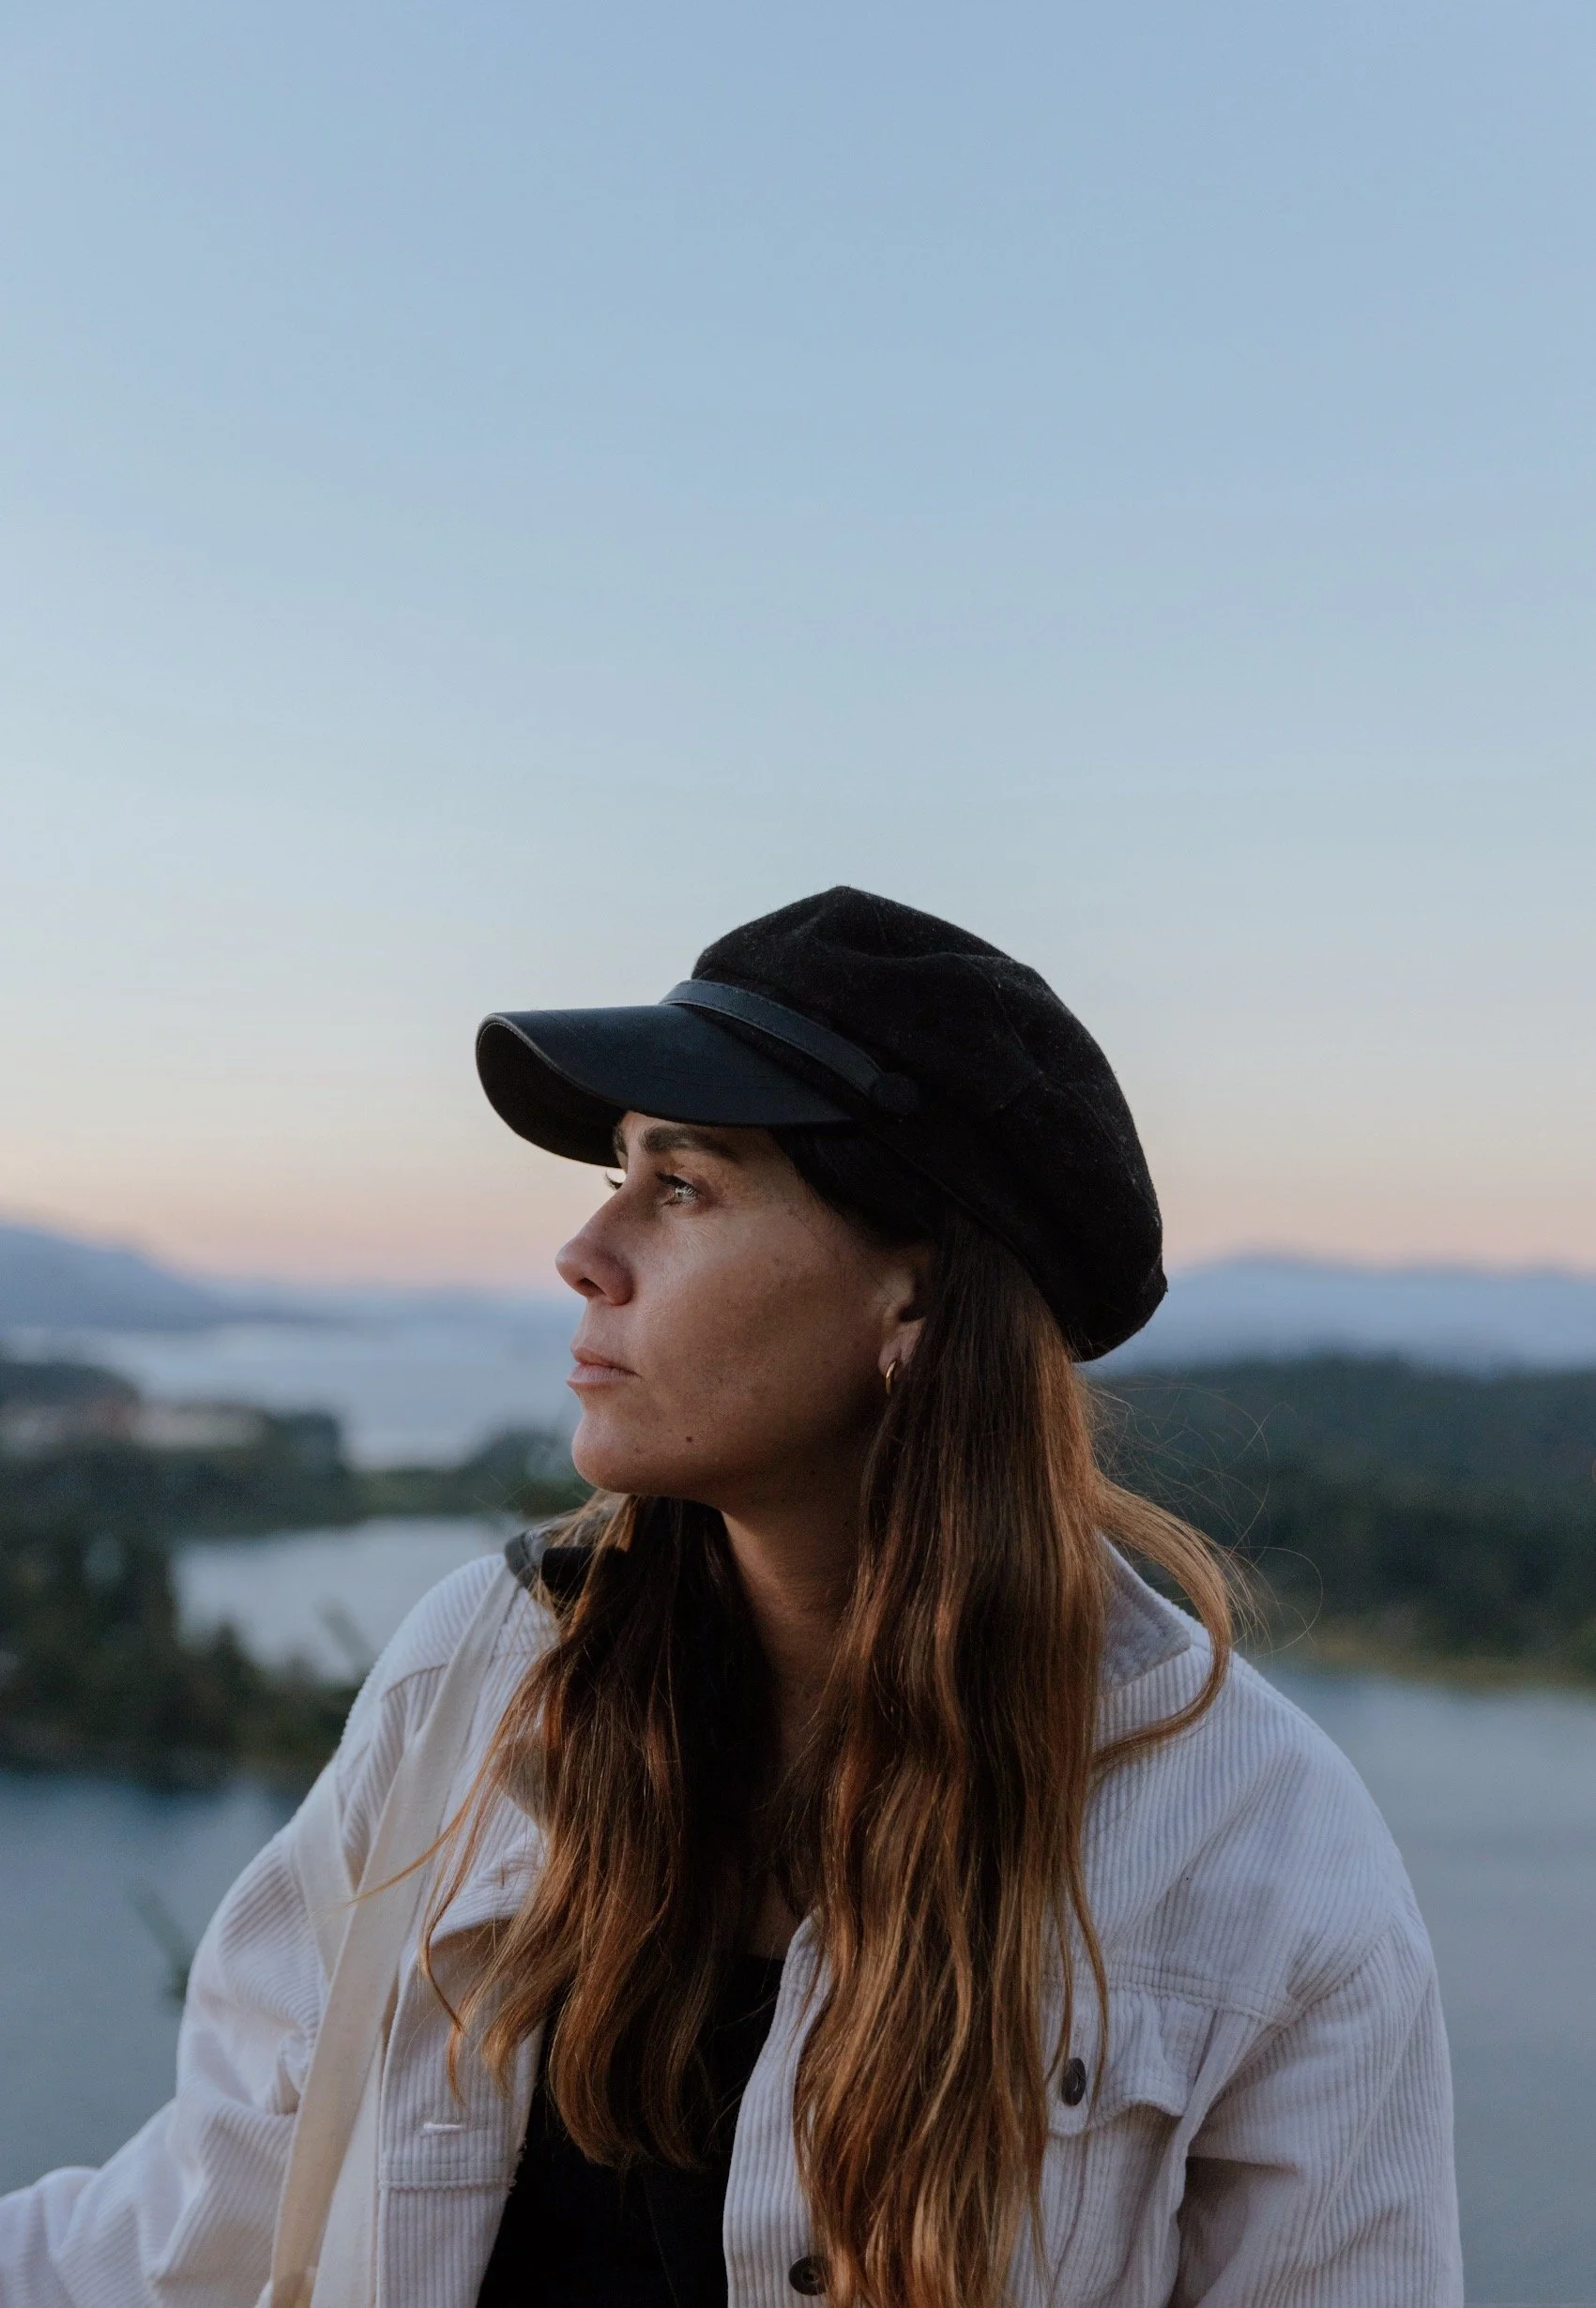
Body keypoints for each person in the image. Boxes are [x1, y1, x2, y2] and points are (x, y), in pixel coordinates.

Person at [0, 887, 1463, 2308]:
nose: (585, 1254)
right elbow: (210, 2223)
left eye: (683, 1186)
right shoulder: (478, 1676)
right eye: (616, 1176)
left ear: (913, 1299)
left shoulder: (1260, 1849)